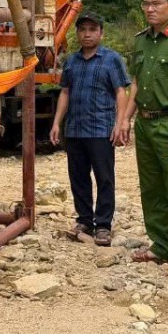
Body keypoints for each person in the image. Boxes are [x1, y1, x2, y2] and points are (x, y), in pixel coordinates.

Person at [114, 0, 168, 277]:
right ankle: (160, 244)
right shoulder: (141, 41)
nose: (150, 9)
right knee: (151, 188)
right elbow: (135, 84)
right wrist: (125, 119)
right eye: (145, 4)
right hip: (145, 124)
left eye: (156, 3)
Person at [50, 13, 130, 246]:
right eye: (83, 29)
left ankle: (103, 225)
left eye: (92, 29)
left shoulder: (111, 59)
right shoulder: (72, 62)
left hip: (100, 129)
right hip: (75, 129)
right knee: (78, 177)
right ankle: (84, 220)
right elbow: (65, 92)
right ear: (78, 33)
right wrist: (57, 123)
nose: (87, 33)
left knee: (104, 178)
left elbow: (120, 92)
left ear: (101, 33)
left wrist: (120, 123)